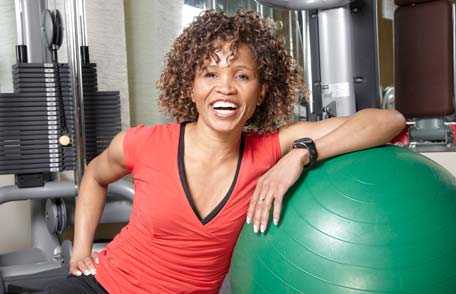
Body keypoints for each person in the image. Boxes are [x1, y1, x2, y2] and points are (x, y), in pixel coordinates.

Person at [47, 9, 405, 294]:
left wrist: (300, 155)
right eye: (210, 74)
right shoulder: (144, 142)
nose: (226, 89)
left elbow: (388, 120)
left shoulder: (269, 150)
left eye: (242, 76)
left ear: (261, 92)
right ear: (190, 87)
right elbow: (94, 175)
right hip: (103, 284)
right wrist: (81, 251)